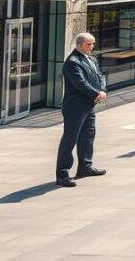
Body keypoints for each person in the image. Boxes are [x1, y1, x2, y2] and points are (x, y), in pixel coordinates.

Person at [56, 32, 107, 187]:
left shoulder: (91, 59)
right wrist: (96, 93)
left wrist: (103, 90)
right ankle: (62, 175)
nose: (92, 47)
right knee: (70, 139)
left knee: (88, 136)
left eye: (93, 44)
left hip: (89, 105)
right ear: (79, 45)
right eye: (89, 44)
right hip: (75, 107)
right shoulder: (72, 62)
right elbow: (80, 83)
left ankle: (85, 167)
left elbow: (100, 75)